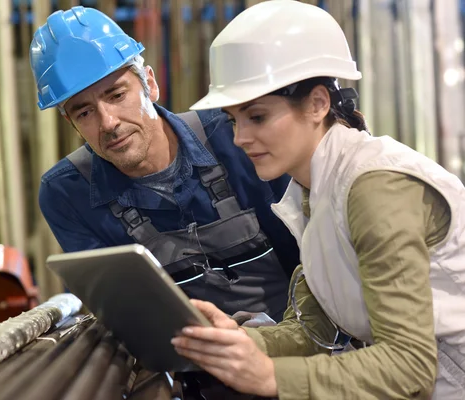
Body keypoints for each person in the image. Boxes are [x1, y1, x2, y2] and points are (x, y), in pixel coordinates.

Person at [171, 1, 465, 399]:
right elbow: (316, 330)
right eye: (233, 119)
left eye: (256, 117)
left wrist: (272, 377)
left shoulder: (374, 189)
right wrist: (237, 344)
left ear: (317, 104)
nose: (239, 138)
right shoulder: (311, 193)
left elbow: (409, 365)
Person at [29, 6, 301, 322]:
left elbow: (311, 260)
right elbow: (127, 316)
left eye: (116, 95)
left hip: (295, 342)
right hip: (188, 361)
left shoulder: (234, 136)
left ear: (150, 84)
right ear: (71, 122)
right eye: (84, 112)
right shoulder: (67, 194)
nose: (108, 122)